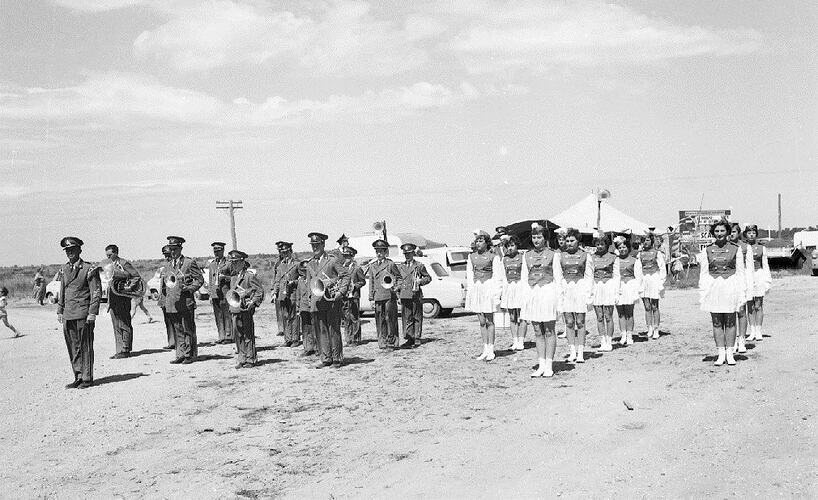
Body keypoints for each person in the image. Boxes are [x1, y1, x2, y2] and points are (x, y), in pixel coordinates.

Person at [699, 219, 750, 366]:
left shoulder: (736, 248)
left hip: (730, 286)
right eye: (717, 231)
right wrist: (704, 292)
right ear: (713, 233)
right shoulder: (707, 249)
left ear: (727, 232)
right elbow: (703, 273)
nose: (719, 233)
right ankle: (721, 354)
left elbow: (740, 272)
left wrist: (742, 293)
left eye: (722, 231)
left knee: (730, 321)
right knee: (716, 321)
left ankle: (730, 353)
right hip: (714, 287)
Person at [57, 237, 101, 389]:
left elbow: (96, 292)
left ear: (79, 250)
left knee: (85, 346)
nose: (70, 252)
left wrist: (92, 312)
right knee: (73, 346)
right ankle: (78, 376)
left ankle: (87, 378)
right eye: (67, 250)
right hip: (68, 313)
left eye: (73, 249)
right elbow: (63, 290)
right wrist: (60, 309)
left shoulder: (89, 269)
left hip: (83, 313)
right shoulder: (64, 269)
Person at [519, 223, 561, 377]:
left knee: (549, 330)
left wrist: (559, 302)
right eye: (534, 237)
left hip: (548, 292)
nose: (536, 240)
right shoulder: (526, 255)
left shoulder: (554, 255)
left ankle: (549, 365)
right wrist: (525, 299)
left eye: (539, 237)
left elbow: (558, 278)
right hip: (533, 293)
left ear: (545, 238)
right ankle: (541, 365)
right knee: (537, 331)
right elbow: (524, 278)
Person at [306, 232, 350, 368]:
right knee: (321, 330)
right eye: (313, 245)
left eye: (317, 245)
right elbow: (309, 284)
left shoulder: (332, 260)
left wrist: (340, 291)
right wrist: (310, 300)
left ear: (323, 244)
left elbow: (345, 275)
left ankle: (337, 358)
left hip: (331, 301)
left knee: (333, 330)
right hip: (317, 301)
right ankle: (326, 358)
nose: (315, 247)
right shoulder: (310, 263)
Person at [161, 236, 204, 364]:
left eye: (175, 249)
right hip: (172, 302)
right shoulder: (167, 264)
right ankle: (180, 353)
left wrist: (189, 288)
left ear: (180, 248)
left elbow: (199, 280)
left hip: (185, 301)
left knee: (187, 329)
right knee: (177, 328)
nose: (172, 252)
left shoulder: (189, 263)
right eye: (170, 249)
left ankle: (189, 354)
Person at [466, 230, 502, 361]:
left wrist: (497, 294)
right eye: (477, 241)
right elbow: (470, 274)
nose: (478, 243)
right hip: (477, 288)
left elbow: (498, 276)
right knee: (481, 321)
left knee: (489, 321)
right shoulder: (471, 257)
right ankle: (485, 349)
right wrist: (471, 291)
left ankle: (491, 349)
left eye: (481, 241)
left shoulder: (493, 256)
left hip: (488, 288)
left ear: (487, 243)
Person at [224, 250, 264, 368]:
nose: (233, 265)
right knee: (238, 335)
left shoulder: (249, 276)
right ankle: (242, 359)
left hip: (246, 309)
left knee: (248, 335)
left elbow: (259, 291)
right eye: (232, 262)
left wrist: (253, 302)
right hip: (235, 309)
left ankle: (250, 359)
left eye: (236, 262)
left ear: (242, 262)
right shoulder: (233, 277)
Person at [558, 228, 593, 363]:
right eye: (567, 241)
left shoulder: (585, 255)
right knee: (569, 322)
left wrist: (588, 294)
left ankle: (580, 353)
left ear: (578, 241)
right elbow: (558, 276)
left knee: (580, 321)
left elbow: (589, 276)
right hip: (566, 289)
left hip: (580, 288)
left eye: (572, 240)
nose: (569, 243)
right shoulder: (560, 256)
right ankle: (572, 351)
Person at [105, 244, 141, 359]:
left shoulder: (124, 263)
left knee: (124, 323)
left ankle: (126, 349)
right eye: (107, 255)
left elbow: (136, 276)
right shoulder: (108, 265)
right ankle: (119, 349)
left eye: (110, 255)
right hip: (113, 298)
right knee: (116, 325)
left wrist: (128, 287)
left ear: (116, 253)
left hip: (123, 298)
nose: (108, 257)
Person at [368, 239, 402, 350]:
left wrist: (395, 289)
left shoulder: (390, 264)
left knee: (390, 319)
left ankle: (392, 342)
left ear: (385, 252)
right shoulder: (372, 266)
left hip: (389, 296)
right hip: (378, 296)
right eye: (377, 251)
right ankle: (382, 341)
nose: (379, 254)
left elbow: (399, 278)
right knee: (380, 319)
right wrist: (371, 298)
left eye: (381, 251)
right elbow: (371, 282)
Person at [396, 243, 432, 349]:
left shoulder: (419, 266)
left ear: (413, 253)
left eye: (409, 253)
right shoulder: (400, 267)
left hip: (415, 294)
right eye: (405, 254)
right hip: (404, 295)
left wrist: (420, 281)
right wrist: (398, 294)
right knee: (406, 317)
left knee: (417, 316)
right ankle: (409, 337)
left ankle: (417, 337)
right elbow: (397, 281)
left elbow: (428, 278)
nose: (407, 256)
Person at [589, 232, 619, 352]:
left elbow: (616, 275)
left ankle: (609, 342)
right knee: (599, 316)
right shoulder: (591, 257)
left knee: (608, 316)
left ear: (606, 244)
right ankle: (602, 341)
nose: (600, 246)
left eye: (602, 244)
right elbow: (589, 275)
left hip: (608, 286)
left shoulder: (613, 257)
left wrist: (616, 292)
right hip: (596, 286)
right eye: (597, 244)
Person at [637, 229, 666, 340]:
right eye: (644, 240)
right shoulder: (640, 254)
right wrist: (639, 283)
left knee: (654, 306)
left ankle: (656, 329)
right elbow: (638, 269)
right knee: (647, 306)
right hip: (644, 279)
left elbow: (662, 268)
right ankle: (649, 328)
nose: (646, 242)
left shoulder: (657, 253)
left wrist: (661, 282)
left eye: (648, 240)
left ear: (652, 241)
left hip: (654, 279)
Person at [499, 235, 527, 351]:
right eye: (508, 246)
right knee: (512, 316)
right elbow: (502, 276)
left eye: (512, 245)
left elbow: (525, 274)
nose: (510, 248)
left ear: (516, 245)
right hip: (509, 288)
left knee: (522, 316)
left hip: (520, 287)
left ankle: (521, 341)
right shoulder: (504, 259)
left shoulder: (522, 257)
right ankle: (515, 340)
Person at [744, 224, 771, 342]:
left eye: (753, 233)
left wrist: (767, 280)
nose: (751, 235)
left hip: (758, 274)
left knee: (758, 305)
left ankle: (759, 331)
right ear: (745, 234)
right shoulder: (743, 247)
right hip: (747, 275)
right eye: (749, 233)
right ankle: (752, 331)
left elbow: (765, 265)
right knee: (749, 305)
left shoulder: (761, 248)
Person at [728, 224, 752, 353]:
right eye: (729, 232)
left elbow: (749, 268)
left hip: (742, 279)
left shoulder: (745, 247)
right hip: (729, 280)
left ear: (739, 233)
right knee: (730, 311)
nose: (731, 234)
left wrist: (749, 285)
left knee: (742, 310)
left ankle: (742, 339)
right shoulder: (725, 246)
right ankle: (731, 341)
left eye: (733, 232)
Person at [272, 241, 300, 347]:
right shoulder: (280, 266)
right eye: (283, 252)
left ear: (291, 252)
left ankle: (295, 339)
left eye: (287, 252)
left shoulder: (296, 264)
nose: (285, 254)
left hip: (293, 293)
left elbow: (302, 279)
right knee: (285, 316)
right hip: (282, 294)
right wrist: (275, 292)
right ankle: (287, 339)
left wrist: (294, 282)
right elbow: (277, 280)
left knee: (294, 316)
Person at [614, 236, 640, 346]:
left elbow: (638, 276)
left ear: (628, 248)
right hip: (619, 286)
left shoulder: (634, 260)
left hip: (630, 286)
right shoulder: (615, 260)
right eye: (620, 247)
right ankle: (623, 335)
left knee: (629, 312)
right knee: (620, 313)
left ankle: (629, 335)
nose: (622, 249)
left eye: (624, 247)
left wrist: (637, 290)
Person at [207, 242, 233, 345]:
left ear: (223, 250)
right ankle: (221, 336)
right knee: (218, 315)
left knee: (227, 314)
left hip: (225, 293)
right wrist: (210, 294)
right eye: (215, 251)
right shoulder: (212, 264)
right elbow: (210, 280)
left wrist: (225, 278)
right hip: (215, 293)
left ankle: (228, 336)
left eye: (218, 251)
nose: (216, 253)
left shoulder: (228, 263)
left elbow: (234, 278)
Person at [339, 246, 366, 346]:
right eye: (344, 256)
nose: (345, 259)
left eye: (347, 257)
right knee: (346, 318)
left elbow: (363, 281)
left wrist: (355, 286)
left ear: (351, 257)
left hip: (353, 296)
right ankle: (348, 338)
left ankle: (355, 339)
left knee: (354, 317)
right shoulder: (342, 268)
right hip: (345, 296)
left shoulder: (357, 268)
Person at [295, 259, 316, 356]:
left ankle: (316, 348)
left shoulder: (313, 280)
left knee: (314, 327)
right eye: (303, 270)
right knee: (305, 328)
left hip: (312, 306)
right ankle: (307, 347)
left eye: (306, 270)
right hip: (303, 307)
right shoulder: (300, 281)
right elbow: (298, 294)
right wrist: (298, 306)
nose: (304, 272)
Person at [157, 245, 174, 350]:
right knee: (168, 321)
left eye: (169, 255)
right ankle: (171, 342)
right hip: (165, 298)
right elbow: (161, 284)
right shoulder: (164, 267)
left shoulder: (175, 266)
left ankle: (178, 342)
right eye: (165, 256)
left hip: (173, 298)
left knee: (175, 321)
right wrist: (161, 299)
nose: (167, 258)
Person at [554, 227, 568, 339]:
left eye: (563, 239)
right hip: (560, 280)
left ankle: (571, 327)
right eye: (559, 239)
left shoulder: (569, 251)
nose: (561, 241)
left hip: (569, 279)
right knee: (562, 304)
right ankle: (566, 328)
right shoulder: (556, 252)